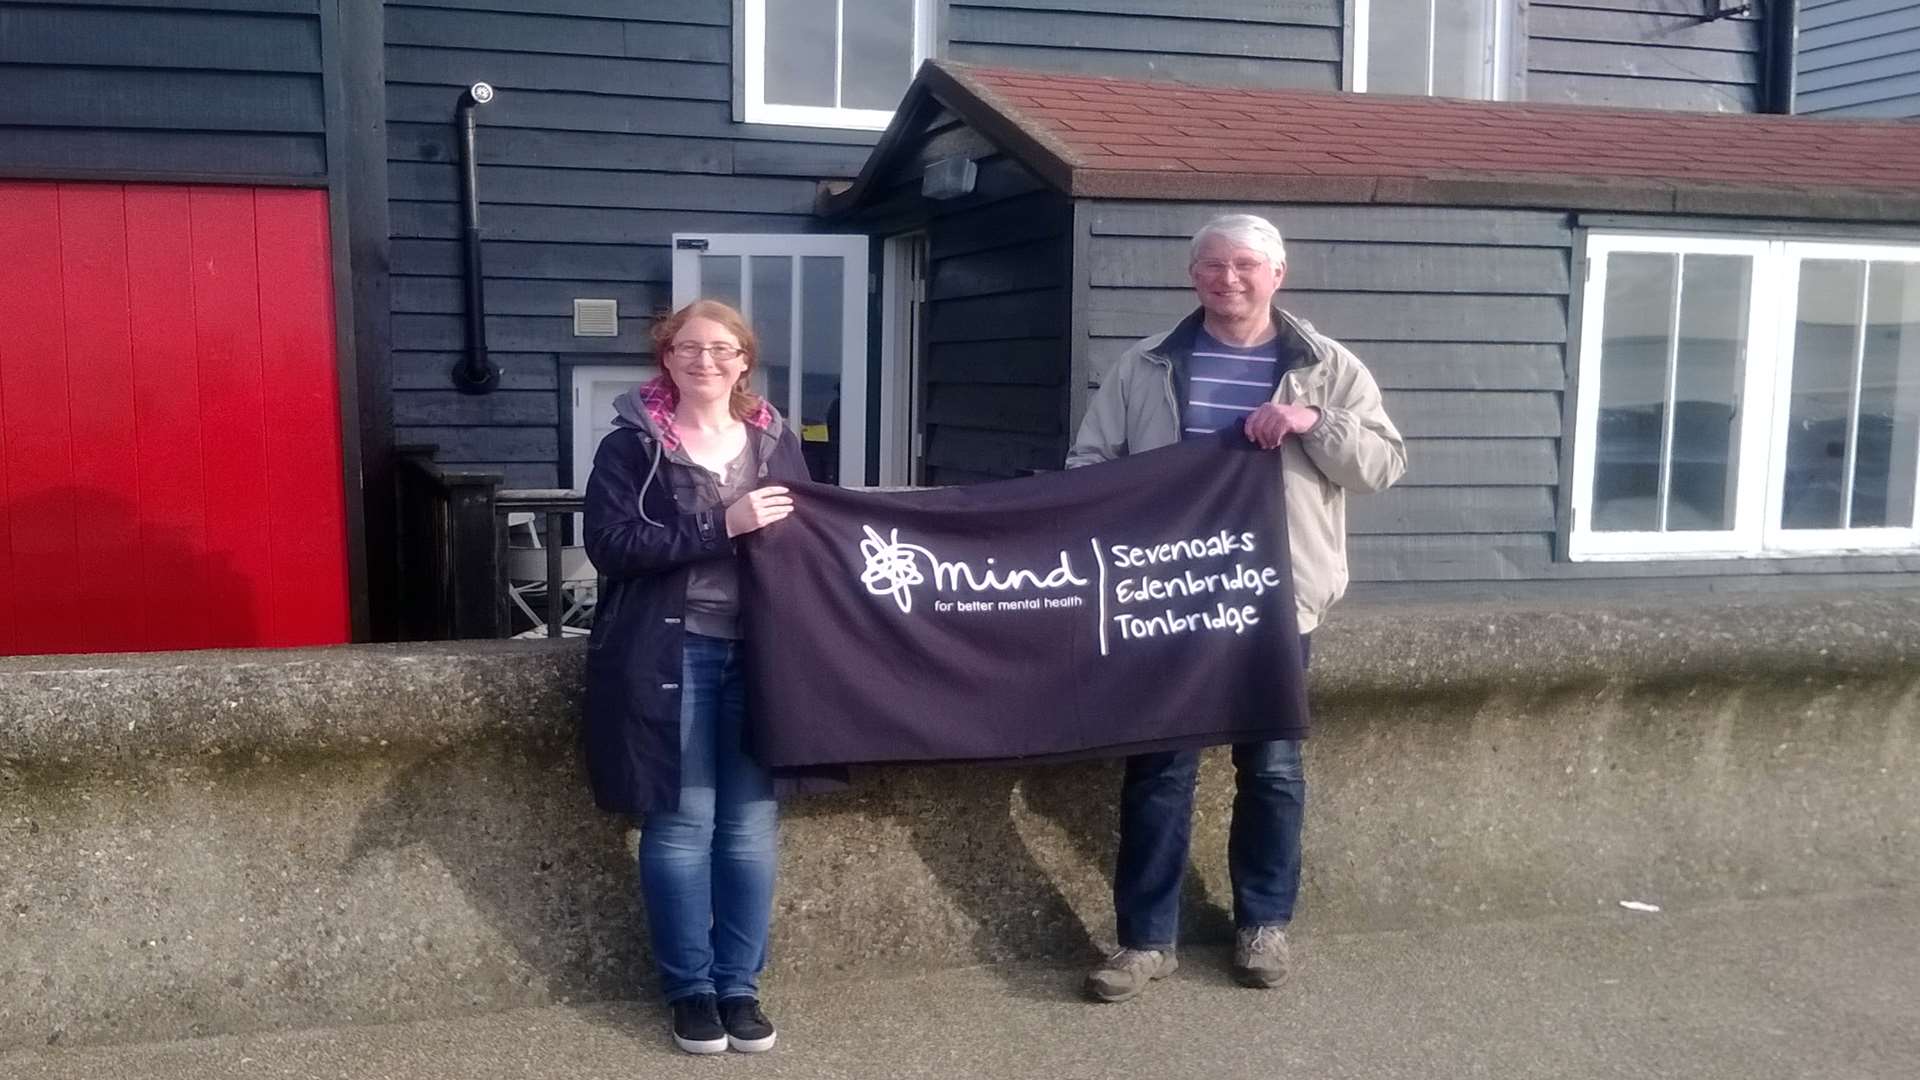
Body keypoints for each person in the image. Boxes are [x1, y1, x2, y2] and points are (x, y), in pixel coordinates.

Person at [1066, 213, 1406, 1001]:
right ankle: (1145, 942)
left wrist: (1313, 423)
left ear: (1277, 275)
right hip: (1173, 596)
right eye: (1212, 267)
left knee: (1275, 770)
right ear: (1194, 278)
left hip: (1280, 601)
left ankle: (1263, 926)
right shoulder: (1147, 366)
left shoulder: (1327, 368)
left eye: (1246, 266)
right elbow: (1089, 464)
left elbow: (1384, 464)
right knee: (1157, 770)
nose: (1229, 279)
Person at [582, 299, 832, 1054]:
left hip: (760, 654)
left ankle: (739, 988)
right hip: (672, 652)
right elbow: (611, 543)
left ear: (744, 361)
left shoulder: (775, 439)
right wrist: (719, 525)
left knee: (752, 829)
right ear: (666, 358)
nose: (705, 361)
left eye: (721, 349)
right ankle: (690, 991)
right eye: (688, 348)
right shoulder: (632, 445)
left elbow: (809, 537)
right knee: (682, 824)